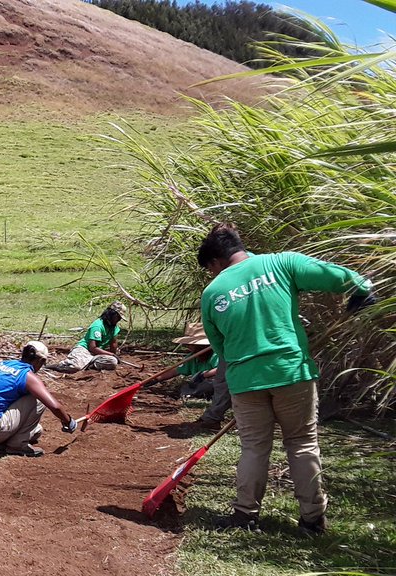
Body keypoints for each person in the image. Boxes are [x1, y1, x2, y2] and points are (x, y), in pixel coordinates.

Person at [198, 226, 376, 535]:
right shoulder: (281, 263)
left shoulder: (213, 293)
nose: (211, 274)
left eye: (209, 268)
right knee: (302, 443)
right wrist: (362, 288)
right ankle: (312, 519)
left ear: (216, 260)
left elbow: (220, 348)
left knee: (254, 448)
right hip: (291, 373)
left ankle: (245, 514)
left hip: (246, 381)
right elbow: (335, 275)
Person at [0, 341, 78, 457]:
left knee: (37, 430)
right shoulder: (27, 376)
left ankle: (2, 439)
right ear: (40, 361)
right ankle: (17, 445)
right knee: (38, 399)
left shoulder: (5, 364)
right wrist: (69, 421)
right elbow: (55, 406)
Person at [148, 323, 230, 428]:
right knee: (186, 388)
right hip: (200, 384)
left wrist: (204, 375)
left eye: (190, 345)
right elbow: (175, 370)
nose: (187, 347)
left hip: (215, 383)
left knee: (207, 386)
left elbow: (222, 369)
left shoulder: (216, 354)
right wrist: (157, 379)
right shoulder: (193, 357)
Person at [50, 302, 126, 373]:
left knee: (112, 362)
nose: (119, 320)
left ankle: (88, 364)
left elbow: (113, 343)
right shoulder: (98, 326)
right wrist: (111, 354)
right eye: (118, 317)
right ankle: (59, 366)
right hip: (84, 350)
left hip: (96, 354)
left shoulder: (114, 327)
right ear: (112, 314)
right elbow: (92, 347)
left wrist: (113, 355)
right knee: (76, 367)